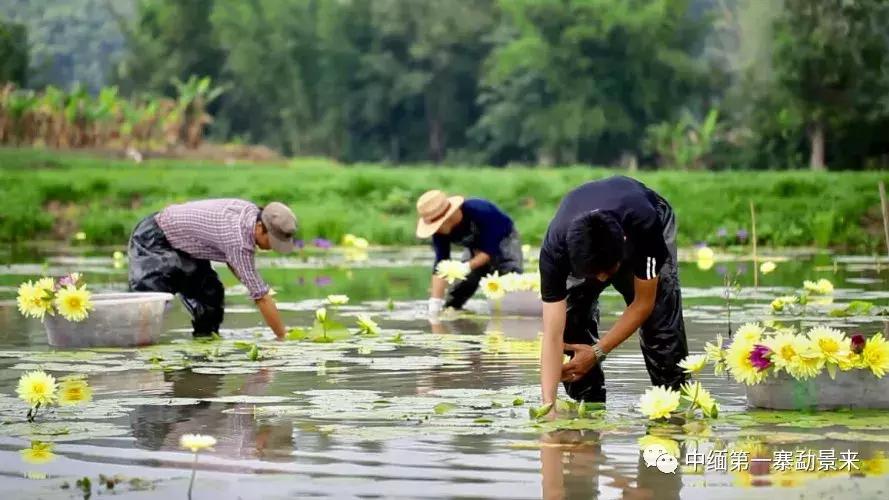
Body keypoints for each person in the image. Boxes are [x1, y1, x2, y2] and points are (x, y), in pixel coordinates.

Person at [538, 176, 688, 405]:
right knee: (571, 319)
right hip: (589, 244)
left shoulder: (645, 228)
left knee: (660, 321)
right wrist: (548, 405)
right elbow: (552, 335)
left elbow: (643, 304)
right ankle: (589, 405)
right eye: (593, 274)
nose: (601, 279)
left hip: (646, 219)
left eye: (607, 272)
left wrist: (598, 351)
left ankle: (675, 406)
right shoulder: (554, 252)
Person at [128, 199, 297, 339]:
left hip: (186, 244)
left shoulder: (250, 214)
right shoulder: (239, 239)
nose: (272, 247)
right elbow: (262, 298)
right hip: (155, 238)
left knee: (211, 294)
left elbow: (234, 262)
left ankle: (204, 340)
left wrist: (250, 282)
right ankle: (135, 344)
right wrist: (282, 336)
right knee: (152, 298)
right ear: (260, 227)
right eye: (272, 241)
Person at [415, 190, 523, 317]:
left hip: (503, 239)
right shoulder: (439, 232)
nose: (436, 230)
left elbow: (489, 251)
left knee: (508, 276)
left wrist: (466, 266)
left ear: (449, 217)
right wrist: (435, 302)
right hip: (473, 245)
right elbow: (440, 263)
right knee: (466, 280)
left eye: (438, 225)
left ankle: (512, 312)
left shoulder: (482, 211)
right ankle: (452, 307)